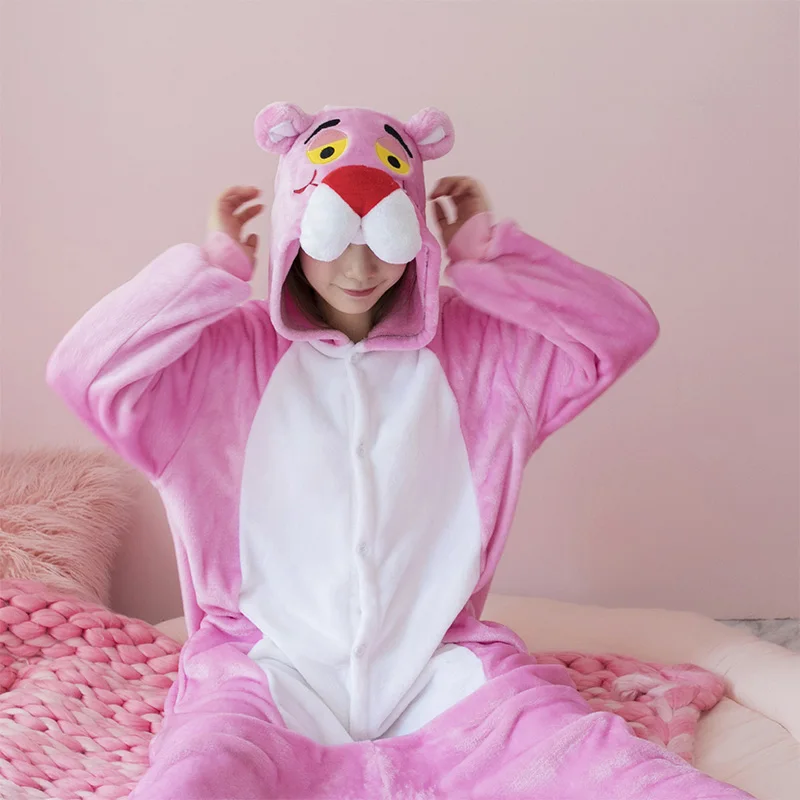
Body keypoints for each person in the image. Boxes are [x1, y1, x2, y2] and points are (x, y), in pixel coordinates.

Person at [47, 103, 752, 799]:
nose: (360, 268)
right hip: (266, 670)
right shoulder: (226, 358)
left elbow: (622, 330)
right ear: (294, 232)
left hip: (440, 667)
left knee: (611, 768)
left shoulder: (484, 352)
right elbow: (81, 371)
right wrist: (207, 272)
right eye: (333, 240)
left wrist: (490, 255)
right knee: (198, 778)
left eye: (385, 240)